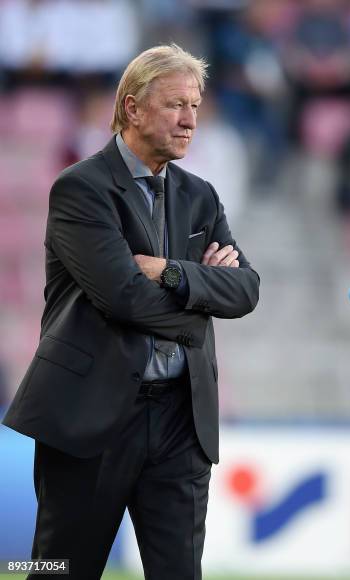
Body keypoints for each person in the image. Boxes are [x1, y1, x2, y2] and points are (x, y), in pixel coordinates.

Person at [3, 44, 259, 579]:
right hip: (89, 414)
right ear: (132, 107)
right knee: (57, 569)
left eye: (195, 105)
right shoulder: (81, 188)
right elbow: (121, 296)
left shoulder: (201, 195)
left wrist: (171, 271)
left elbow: (246, 290)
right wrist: (200, 304)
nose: (190, 120)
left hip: (180, 422)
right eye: (175, 105)